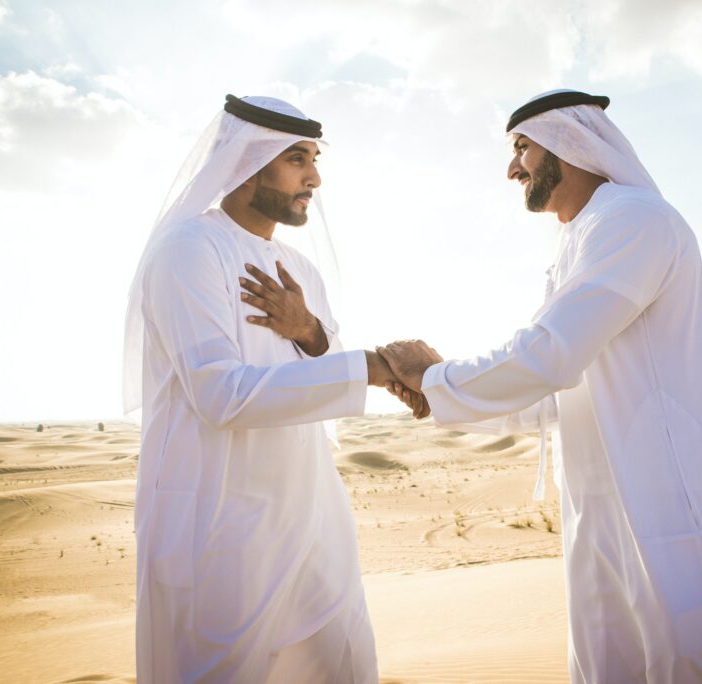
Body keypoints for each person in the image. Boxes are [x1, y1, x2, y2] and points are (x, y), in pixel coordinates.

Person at [377, 90, 702, 683]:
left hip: (668, 500)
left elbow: (550, 355)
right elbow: (557, 391)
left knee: (696, 660)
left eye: (522, 148)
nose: (512, 168)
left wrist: (436, 377)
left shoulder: (633, 220)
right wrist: (441, 396)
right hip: (601, 513)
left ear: (569, 146)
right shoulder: (583, 237)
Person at [123, 94, 412, 683]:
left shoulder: (299, 269)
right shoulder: (188, 250)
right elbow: (220, 395)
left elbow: (320, 352)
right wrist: (374, 367)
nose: (315, 178)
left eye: (314, 159)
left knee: (342, 665)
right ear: (248, 162)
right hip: (222, 521)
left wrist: (308, 329)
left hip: (310, 512)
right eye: (298, 160)